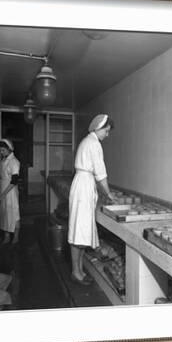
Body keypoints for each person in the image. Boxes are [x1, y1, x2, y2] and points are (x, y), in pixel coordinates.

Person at [68, 114, 118, 285]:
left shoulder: (87, 141)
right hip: (83, 188)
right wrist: (109, 194)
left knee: (82, 232)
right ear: (98, 128)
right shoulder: (94, 143)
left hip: (83, 185)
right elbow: (100, 173)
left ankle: (79, 269)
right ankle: (76, 272)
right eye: (107, 131)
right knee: (78, 233)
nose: (107, 135)